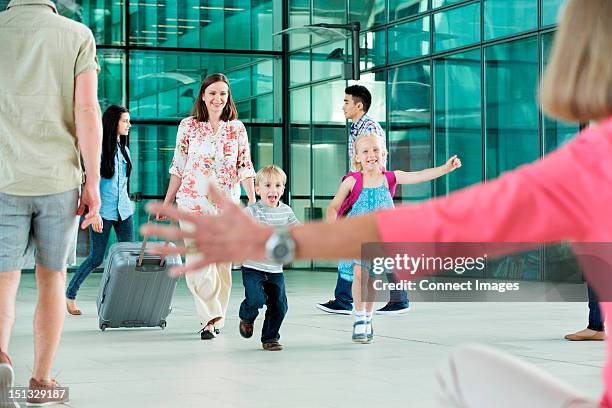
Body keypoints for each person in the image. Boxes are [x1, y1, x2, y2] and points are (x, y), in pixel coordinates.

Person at [142, 0, 611, 405]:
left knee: (465, 366)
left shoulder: (587, 163)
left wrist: (274, 241)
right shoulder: (587, 162)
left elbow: (436, 222)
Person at [0, 0, 102, 405]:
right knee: (52, 279)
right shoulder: (77, 35)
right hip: (59, 180)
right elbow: (87, 111)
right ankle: (40, 382)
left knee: (3, 279)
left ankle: (0, 358)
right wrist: (92, 183)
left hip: (4, 174)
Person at [327, 133, 461, 342]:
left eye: (376, 150)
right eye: (366, 151)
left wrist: (446, 168)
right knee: (359, 276)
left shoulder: (391, 177)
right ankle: (359, 317)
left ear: (383, 154)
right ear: (357, 158)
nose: (371, 155)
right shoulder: (352, 181)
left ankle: (366, 318)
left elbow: (421, 175)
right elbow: (334, 205)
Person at [160, 73, 256, 340]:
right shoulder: (188, 126)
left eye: (223, 94)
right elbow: (178, 167)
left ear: (228, 98)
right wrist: (167, 202)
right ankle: (208, 318)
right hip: (192, 203)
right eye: (212, 93)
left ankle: (217, 317)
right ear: (203, 95)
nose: (217, 99)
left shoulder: (236, 128)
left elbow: (244, 166)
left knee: (222, 265)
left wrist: (253, 201)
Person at [317, 84, 411, 316]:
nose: (343, 106)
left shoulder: (369, 128)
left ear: (359, 105)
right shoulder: (355, 128)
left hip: (371, 195)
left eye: (347, 102)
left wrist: (368, 191)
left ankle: (397, 299)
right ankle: (345, 298)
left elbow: (378, 161)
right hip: (358, 189)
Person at [66, 105, 133, 315]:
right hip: (102, 213)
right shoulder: (99, 151)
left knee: (128, 259)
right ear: (114, 123)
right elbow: (91, 185)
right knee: (96, 258)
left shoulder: (125, 149)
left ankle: (120, 301)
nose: (129, 125)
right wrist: (93, 213)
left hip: (124, 211)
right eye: (125, 121)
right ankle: (70, 295)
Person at [238, 165, 299, 351]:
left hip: (274, 269)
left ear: (283, 189)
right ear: (258, 190)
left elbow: (298, 230)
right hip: (253, 266)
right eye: (267, 185)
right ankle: (247, 316)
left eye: (278, 185)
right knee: (255, 300)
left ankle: (270, 338)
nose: (273, 190)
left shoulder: (286, 211)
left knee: (280, 306)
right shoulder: (252, 211)